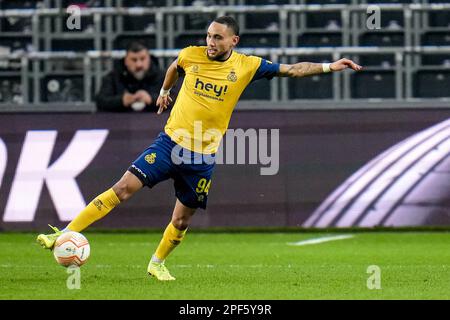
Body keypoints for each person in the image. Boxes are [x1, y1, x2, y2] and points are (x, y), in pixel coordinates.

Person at [37, 16, 362, 281]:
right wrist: (165, 91)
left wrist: (329, 66)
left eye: (218, 38)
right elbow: (175, 67)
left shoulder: (248, 65)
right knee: (123, 188)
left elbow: (291, 69)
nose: (211, 42)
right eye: (209, 36)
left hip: (201, 158)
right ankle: (63, 233)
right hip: (169, 144)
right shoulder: (191, 54)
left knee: (181, 220)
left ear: (233, 41)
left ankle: (157, 263)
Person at [95, 41, 166, 112]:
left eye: (142, 59)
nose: (139, 65)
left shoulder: (163, 77)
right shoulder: (113, 78)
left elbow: (174, 100)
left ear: (149, 59)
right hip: (119, 121)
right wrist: (121, 101)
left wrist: (151, 99)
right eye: (134, 60)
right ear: (126, 61)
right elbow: (101, 101)